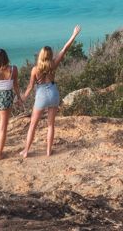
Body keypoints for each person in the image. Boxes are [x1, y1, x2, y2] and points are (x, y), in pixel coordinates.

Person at [20, 25, 81, 158]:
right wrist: (74, 34)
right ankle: (48, 151)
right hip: (53, 93)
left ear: (41, 55)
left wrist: (23, 97)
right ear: (51, 55)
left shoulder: (35, 70)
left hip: (41, 95)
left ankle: (26, 151)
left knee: (33, 125)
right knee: (50, 125)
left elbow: (30, 86)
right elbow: (65, 49)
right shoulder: (54, 64)